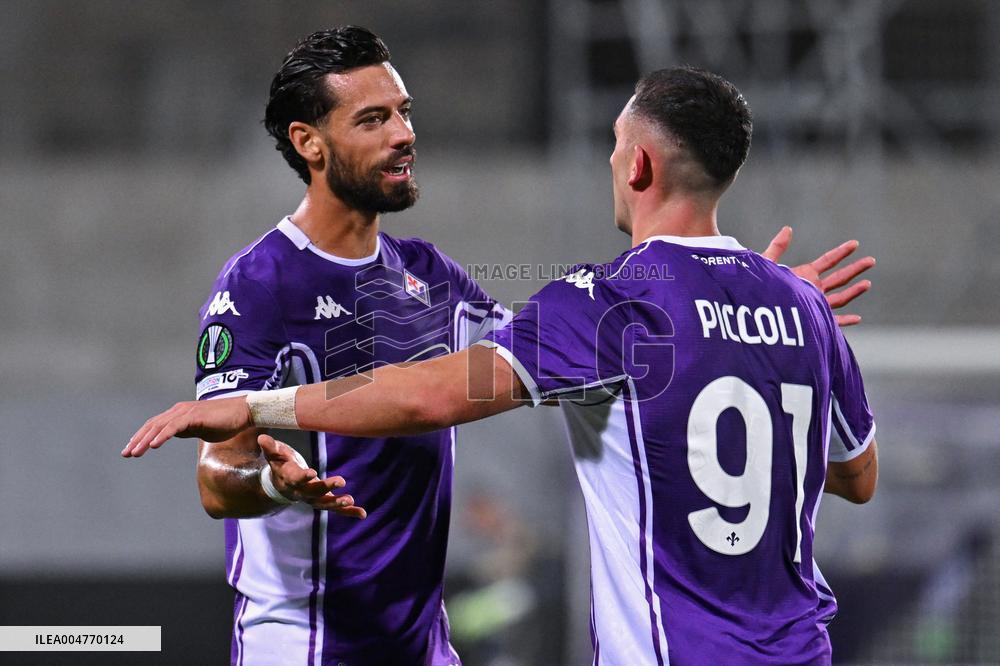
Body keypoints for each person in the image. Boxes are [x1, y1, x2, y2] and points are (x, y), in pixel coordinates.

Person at [126, 65, 877, 664]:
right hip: (309, 644)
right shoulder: (800, 310)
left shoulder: (596, 306)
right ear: (309, 142)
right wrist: (759, 309)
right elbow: (855, 477)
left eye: (404, 112)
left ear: (639, 164)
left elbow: (435, 395)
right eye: (375, 117)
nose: (403, 134)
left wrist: (263, 406)